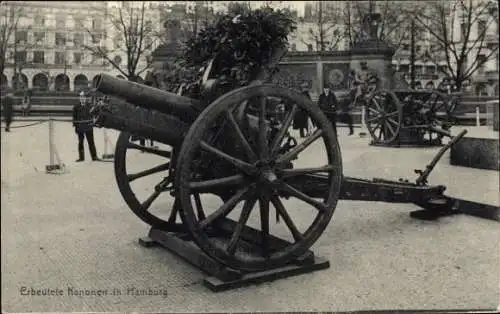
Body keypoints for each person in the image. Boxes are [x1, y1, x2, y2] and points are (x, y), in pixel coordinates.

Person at [73, 91, 99, 162]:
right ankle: (81, 158)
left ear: (85, 98)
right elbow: (74, 118)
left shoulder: (89, 106)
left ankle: (94, 157)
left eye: (83, 97)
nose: (82, 99)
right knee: (80, 142)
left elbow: (94, 114)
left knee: (91, 142)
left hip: (88, 127)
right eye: (81, 97)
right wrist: (76, 127)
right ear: (79, 98)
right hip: (80, 127)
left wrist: (93, 121)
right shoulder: (76, 107)